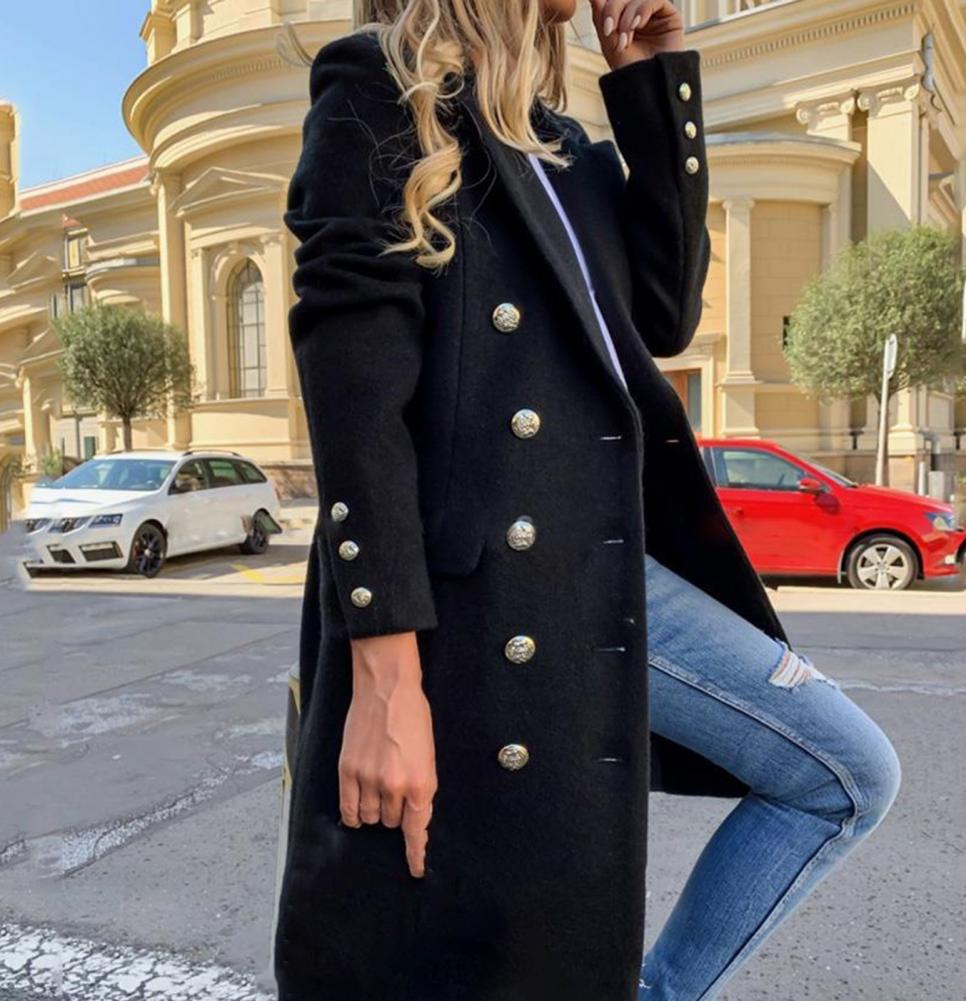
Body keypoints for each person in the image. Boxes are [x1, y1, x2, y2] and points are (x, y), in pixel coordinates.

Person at [272, 2, 902, 1000]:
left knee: (843, 771)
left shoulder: (559, 145)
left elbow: (663, 311)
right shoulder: (380, 89)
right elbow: (355, 404)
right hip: (476, 605)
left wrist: (652, 81)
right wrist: (384, 684)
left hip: (596, 569)